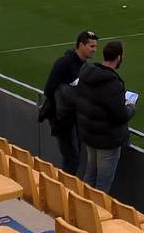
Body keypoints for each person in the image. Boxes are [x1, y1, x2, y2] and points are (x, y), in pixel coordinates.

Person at [74, 40, 135, 192]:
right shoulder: (113, 84)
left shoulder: (87, 73)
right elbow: (120, 115)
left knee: (90, 174)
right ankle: (92, 213)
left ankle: (82, 207)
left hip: (89, 134)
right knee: (102, 185)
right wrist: (131, 108)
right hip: (106, 140)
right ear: (118, 58)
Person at [38, 30, 97, 176]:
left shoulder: (84, 65)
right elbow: (49, 89)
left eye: (95, 46)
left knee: (74, 156)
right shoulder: (64, 63)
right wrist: (68, 93)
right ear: (81, 45)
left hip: (74, 117)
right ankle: (63, 192)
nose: (94, 50)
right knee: (72, 158)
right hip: (62, 119)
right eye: (91, 46)